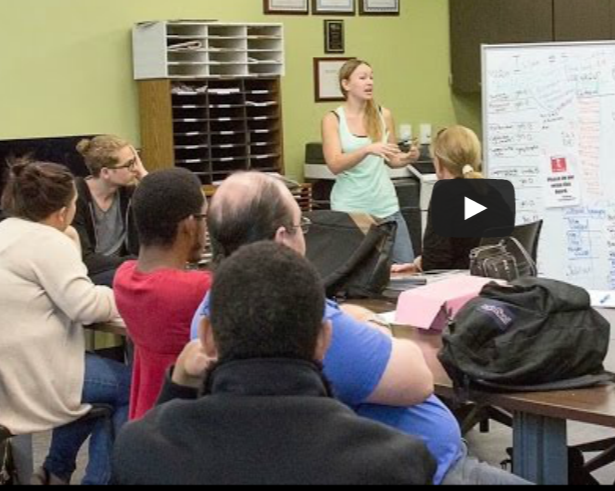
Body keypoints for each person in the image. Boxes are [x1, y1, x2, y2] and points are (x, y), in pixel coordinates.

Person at [189, 172, 529, 485]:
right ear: (282, 239)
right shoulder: (299, 319)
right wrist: (373, 325)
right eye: (301, 225)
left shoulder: (209, 315)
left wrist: (351, 317)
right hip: (429, 474)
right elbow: (418, 379)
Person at [112, 242, 438, 485]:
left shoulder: (141, 452)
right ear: (324, 340)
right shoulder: (396, 462)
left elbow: (152, 433)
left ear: (207, 336)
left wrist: (177, 387)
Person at [0, 161, 129, 486]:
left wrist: (67, 235)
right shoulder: (46, 242)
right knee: (131, 386)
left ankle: (55, 473)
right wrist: (128, 295)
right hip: (33, 376)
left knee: (96, 395)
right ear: (61, 212)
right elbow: (86, 307)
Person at [114, 168, 211, 421]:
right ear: (189, 224)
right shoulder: (196, 289)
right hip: (182, 422)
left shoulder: (123, 278)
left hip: (146, 416)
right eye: (204, 217)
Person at [321, 59, 420, 265]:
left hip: (386, 206)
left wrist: (408, 158)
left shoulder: (383, 115)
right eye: (363, 77)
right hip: (350, 209)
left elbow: (392, 159)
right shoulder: (332, 119)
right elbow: (335, 164)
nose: (370, 83)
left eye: (372, 77)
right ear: (346, 84)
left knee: (406, 267)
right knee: (353, 273)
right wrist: (366, 149)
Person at [393, 126, 484, 274]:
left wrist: (418, 264)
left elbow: (436, 261)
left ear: (439, 161)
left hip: (453, 284)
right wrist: (418, 264)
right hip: (483, 282)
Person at [73, 135, 149, 287]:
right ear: (106, 172)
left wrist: (145, 177)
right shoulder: (75, 197)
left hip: (124, 269)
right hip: (90, 275)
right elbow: (85, 259)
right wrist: (135, 262)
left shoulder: (130, 193)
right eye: (129, 164)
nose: (135, 168)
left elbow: (170, 209)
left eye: (135, 161)